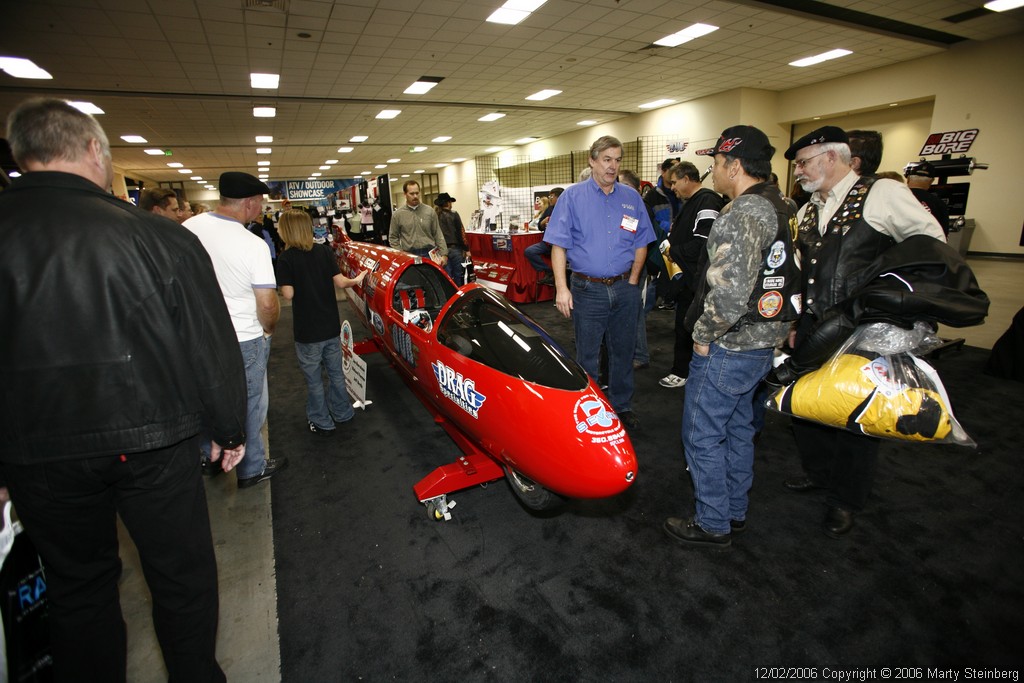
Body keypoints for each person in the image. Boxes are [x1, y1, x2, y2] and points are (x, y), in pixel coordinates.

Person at [0, 97, 246, 681]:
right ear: (94, 151)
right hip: (156, 443)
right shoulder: (159, 237)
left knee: (77, 590)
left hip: (38, 453)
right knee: (182, 580)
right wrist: (228, 428)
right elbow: (209, 347)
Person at [782, 125, 946, 538]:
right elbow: (803, 272)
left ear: (832, 158)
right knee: (806, 405)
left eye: (804, 162)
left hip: (865, 330)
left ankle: (845, 499)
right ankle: (818, 473)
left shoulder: (881, 194)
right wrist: (793, 323)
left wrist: (892, 299)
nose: (798, 171)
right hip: (816, 325)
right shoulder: (808, 210)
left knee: (857, 414)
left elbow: (932, 244)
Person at [663, 125, 800, 548]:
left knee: (703, 433)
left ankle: (713, 521)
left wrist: (703, 336)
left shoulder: (741, 213)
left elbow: (730, 289)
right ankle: (734, 511)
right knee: (739, 429)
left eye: (717, 164)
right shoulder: (783, 205)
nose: (713, 172)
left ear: (734, 165)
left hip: (729, 344)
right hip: (763, 341)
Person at [184, 171, 288, 488]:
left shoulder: (188, 228)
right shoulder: (252, 245)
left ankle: (210, 457)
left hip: (198, 337)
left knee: (204, 399)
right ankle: (251, 467)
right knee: (250, 403)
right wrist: (269, 331)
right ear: (250, 203)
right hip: (244, 337)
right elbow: (267, 304)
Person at [544, 136, 655, 430]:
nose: (612, 166)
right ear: (592, 161)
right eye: (606, 159)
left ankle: (621, 405)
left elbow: (641, 241)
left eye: (617, 160)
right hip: (587, 289)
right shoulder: (572, 197)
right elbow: (558, 246)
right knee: (588, 354)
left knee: (623, 351)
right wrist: (561, 287)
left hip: (624, 288)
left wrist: (633, 280)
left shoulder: (631, 198)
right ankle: (591, 408)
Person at [275, 209, 366, 436]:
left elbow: (287, 294)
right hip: (329, 326)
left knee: (314, 379)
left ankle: (321, 420)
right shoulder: (324, 252)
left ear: (287, 231)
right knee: (336, 373)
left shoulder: (286, 258)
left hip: (307, 331)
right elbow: (342, 282)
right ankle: (343, 413)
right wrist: (358, 278)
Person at [659, 161, 725, 389]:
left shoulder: (707, 200)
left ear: (687, 179)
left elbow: (704, 244)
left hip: (697, 281)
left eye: (675, 182)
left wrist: (673, 250)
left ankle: (684, 372)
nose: (673, 188)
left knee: (689, 326)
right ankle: (684, 369)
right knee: (683, 325)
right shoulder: (693, 202)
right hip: (689, 280)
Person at [618, 168, 661, 370]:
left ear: (634, 187)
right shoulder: (630, 206)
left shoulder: (637, 207)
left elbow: (636, 241)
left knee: (635, 311)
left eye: (623, 185)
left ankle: (640, 354)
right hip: (631, 266)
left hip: (636, 267)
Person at [389, 180, 447, 262]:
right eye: (412, 194)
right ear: (405, 194)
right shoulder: (398, 215)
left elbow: (438, 234)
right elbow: (393, 238)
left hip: (430, 254)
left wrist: (444, 254)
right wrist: (401, 254)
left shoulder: (429, 211)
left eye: (417, 193)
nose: (415, 196)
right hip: (409, 255)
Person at [525, 187, 564, 286]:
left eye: (552, 196)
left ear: (559, 197)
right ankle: (548, 272)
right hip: (546, 243)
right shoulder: (549, 209)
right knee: (529, 251)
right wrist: (544, 221)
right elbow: (540, 226)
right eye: (549, 196)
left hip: (561, 244)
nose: (550, 198)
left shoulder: (567, 209)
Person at [905, 161, 951, 235]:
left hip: (896, 245)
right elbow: (943, 236)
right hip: (927, 245)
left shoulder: (895, 197)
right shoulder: (940, 204)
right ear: (931, 181)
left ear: (908, 178)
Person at [434, 192, 471, 285]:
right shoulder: (454, 214)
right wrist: (466, 249)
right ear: (448, 203)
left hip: (441, 251)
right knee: (459, 275)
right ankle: (459, 296)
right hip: (455, 249)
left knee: (447, 276)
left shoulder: (435, 216)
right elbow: (461, 233)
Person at [643, 157, 682, 237]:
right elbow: (647, 220)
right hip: (660, 241)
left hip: (680, 239)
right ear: (663, 172)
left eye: (678, 171)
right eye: (672, 170)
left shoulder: (682, 193)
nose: (675, 174)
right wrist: (668, 226)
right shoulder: (652, 195)